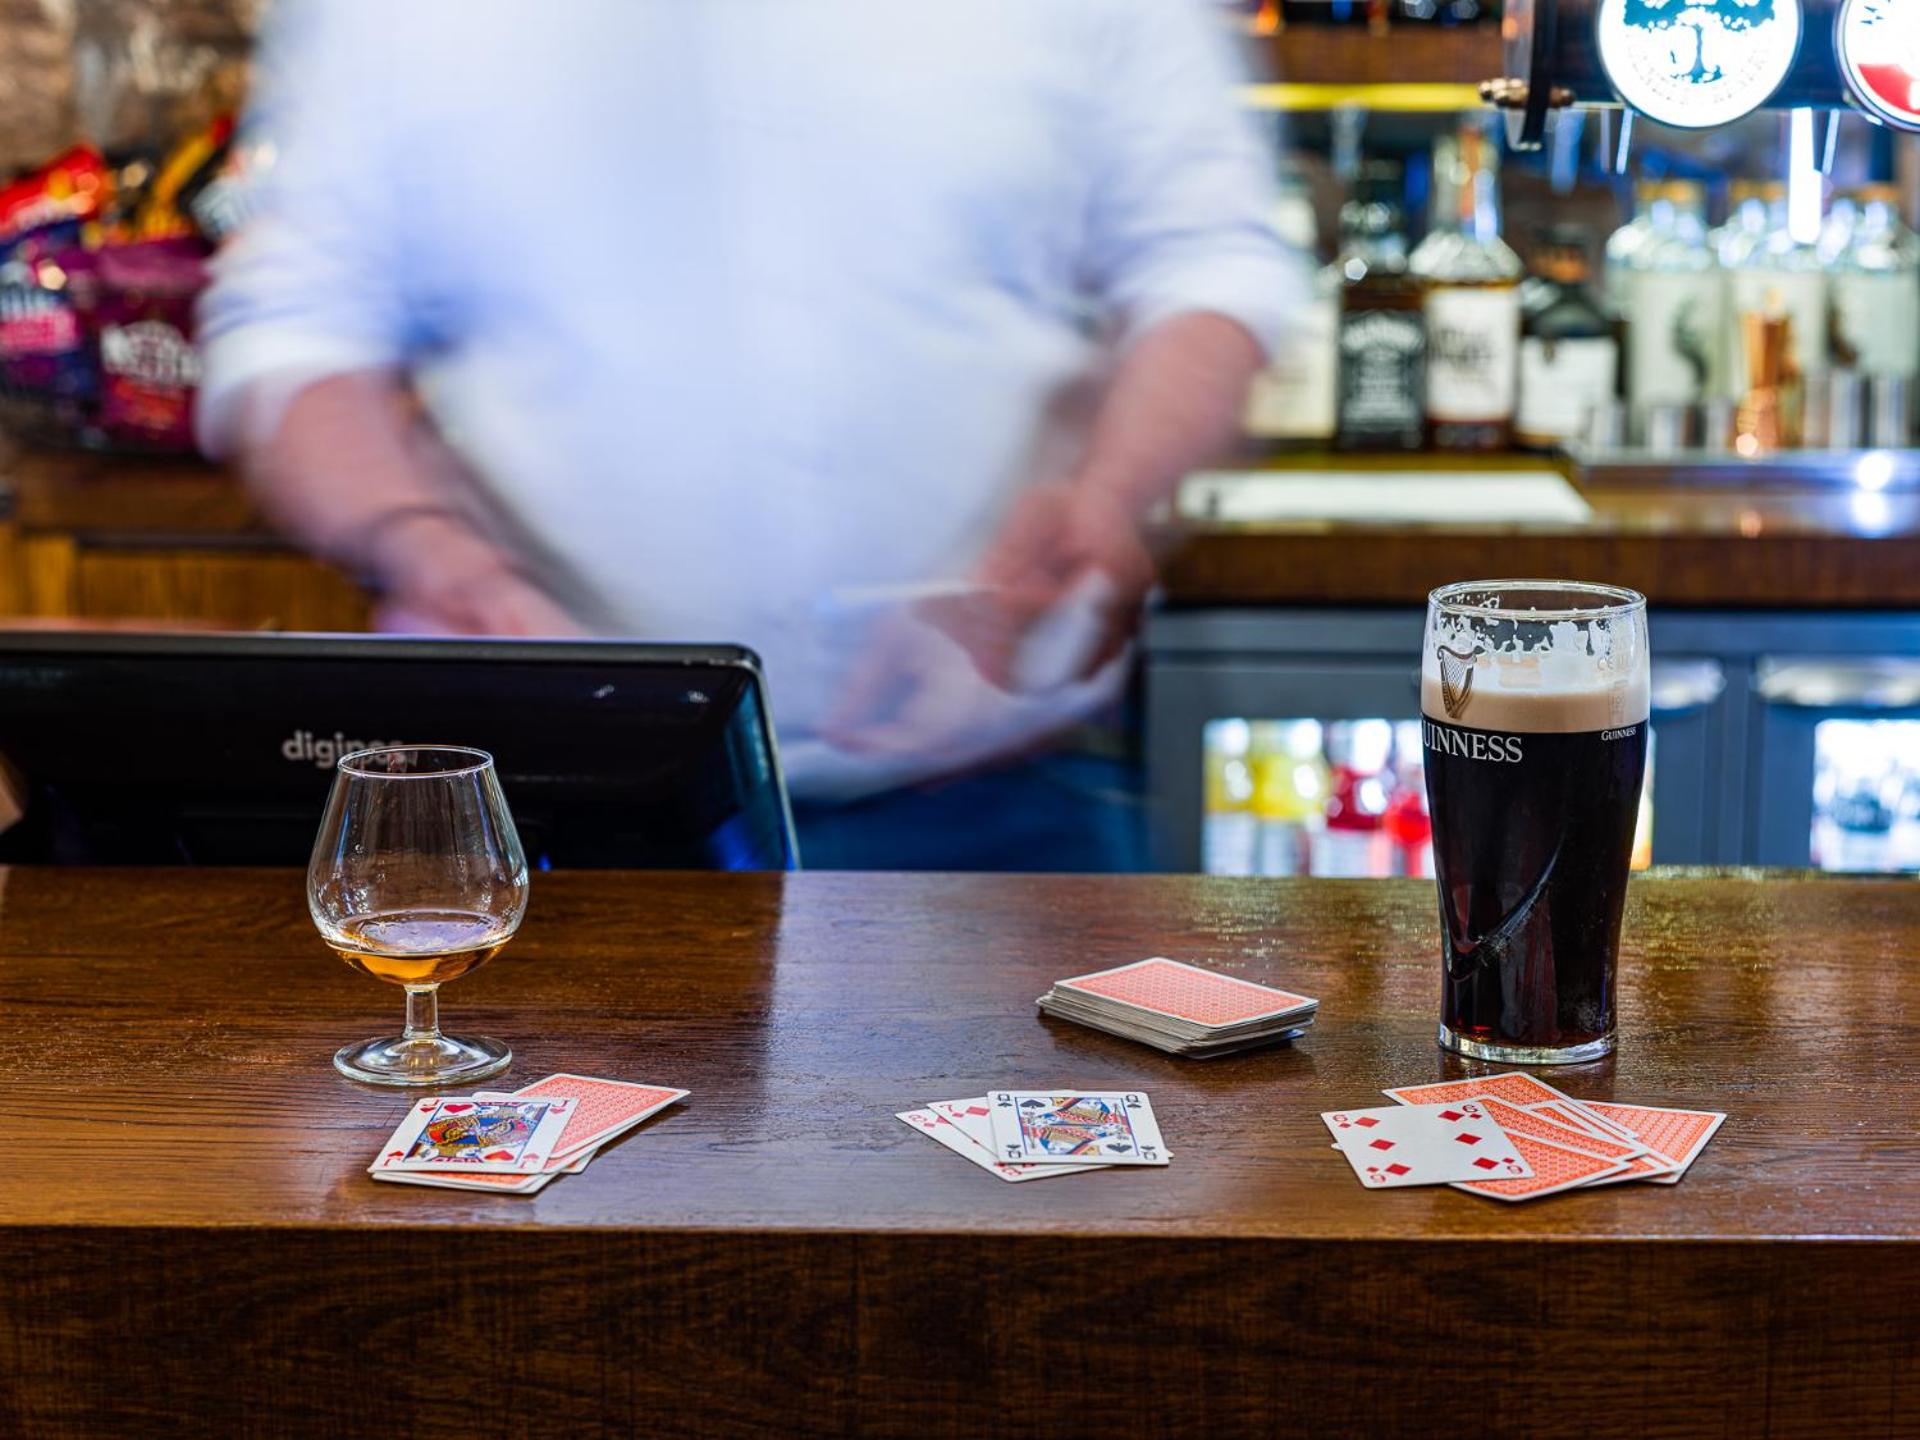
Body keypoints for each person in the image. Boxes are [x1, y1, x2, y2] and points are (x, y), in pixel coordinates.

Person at [197, 0, 1303, 870]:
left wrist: (1110, 496)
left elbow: (1209, 262)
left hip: (999, 803)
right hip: (561, 809)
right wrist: (428, 548)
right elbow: (292, 330)